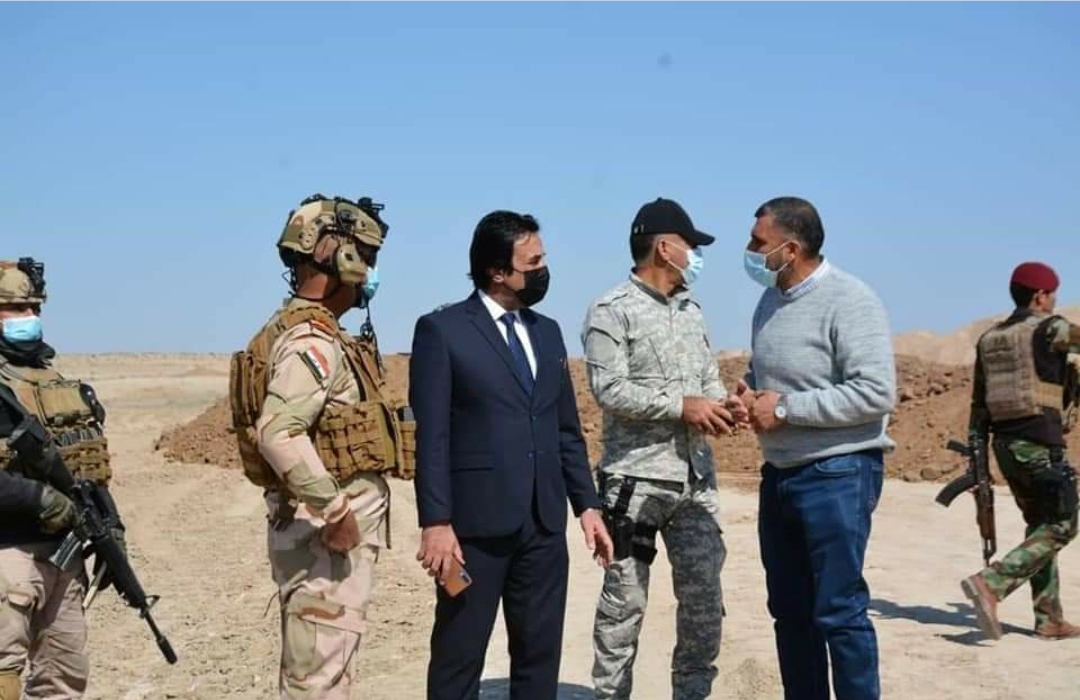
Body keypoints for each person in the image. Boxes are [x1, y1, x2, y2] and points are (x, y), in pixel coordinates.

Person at [410, 209, 613, 700]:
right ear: (497, 271)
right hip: (472, 533)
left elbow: (566, 429)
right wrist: (436, 522)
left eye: (543, 259)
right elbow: (432, 437)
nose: (543, 270)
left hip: (543, 527)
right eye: (533, 262)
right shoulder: (443, 331)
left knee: (538, 658)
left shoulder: (547, 332)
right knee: (459, 655)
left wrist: (587, 506)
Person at [228, 194, 414, 699]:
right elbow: (278, 432)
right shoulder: (311, 342)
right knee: (317, 682)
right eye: (367, 256)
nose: (371, 271)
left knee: (324, 674)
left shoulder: (305, 331)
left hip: (319, 545)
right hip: (323, 544)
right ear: (339, 255)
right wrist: (337, 511)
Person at [583, 197, 740, 700]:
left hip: (695, 482)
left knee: (704, 604)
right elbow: (609, 389)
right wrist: (681, 407)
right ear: (665, 247)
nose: (696, 255)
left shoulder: (692, 311)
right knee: (624, 606)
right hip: (635, 484)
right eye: (691, 246)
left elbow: (708, 382)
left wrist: (726, 406)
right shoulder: (611, 310)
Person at [740, 197, 896, 700]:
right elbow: (770, 375)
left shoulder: (850, 299)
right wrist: (747, 394)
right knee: (790, 612)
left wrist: (785, 409)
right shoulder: (770, 301)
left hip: (838, 474)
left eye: (758, 242)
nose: (749, 250)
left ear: (791, 249)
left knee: (839, 611)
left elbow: (876, 392)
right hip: (779, 474)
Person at [0, 258, 114, 699]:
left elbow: (87, 466)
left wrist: (112, 529)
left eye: (33, 307)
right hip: (8, 552)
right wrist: (41, 500)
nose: (28, 317)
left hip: (62, 555)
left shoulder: (56, 382)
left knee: (63, 678)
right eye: (15, 308)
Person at [960, 261, 1080, 641]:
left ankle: (1049, 618)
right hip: (1039, 444)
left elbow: (978, 405)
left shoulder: (990, 339)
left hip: (1005, 447)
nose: (1054, 301)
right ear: (1040, 296)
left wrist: (977, 457)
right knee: (1063, 524)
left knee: (1040, 523)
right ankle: (991, 583)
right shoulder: (1050, 329)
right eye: (1052, 295)